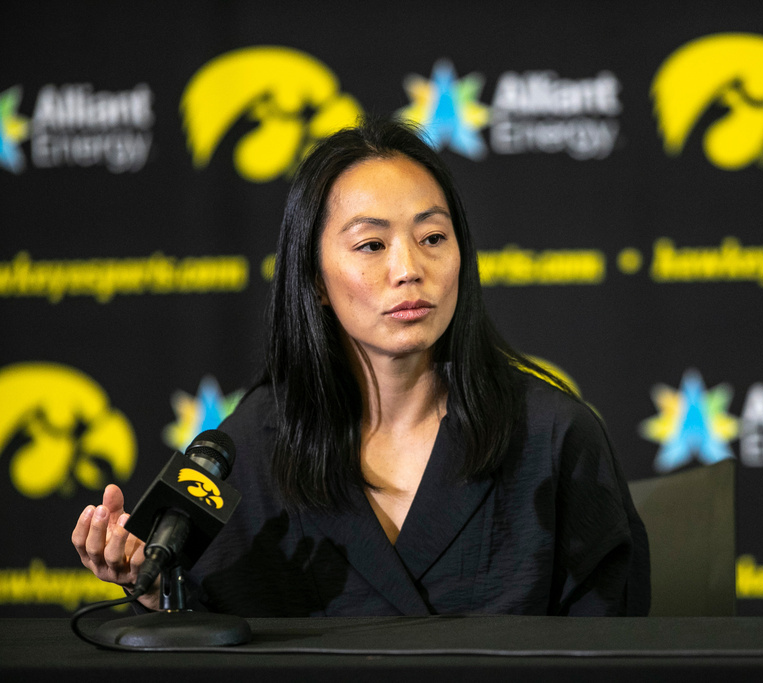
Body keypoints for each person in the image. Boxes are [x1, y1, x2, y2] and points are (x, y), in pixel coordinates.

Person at [71, 117, 650, 616]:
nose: (408, 268)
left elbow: (615, 645)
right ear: (316, 280)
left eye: (432, 237)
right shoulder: (252, 442)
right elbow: (211, 637)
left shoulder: (553, 435)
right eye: (371, 245)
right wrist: (153, 592)